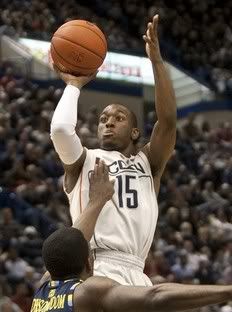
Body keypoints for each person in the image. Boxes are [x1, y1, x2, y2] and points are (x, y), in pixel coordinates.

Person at [50, 15, 176, 286]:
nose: (108, 121)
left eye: (118, 117)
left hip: (137, 272)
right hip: (94, 266)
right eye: (103, 118)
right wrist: (73, 85)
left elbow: (167, 122)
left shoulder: (148, 162)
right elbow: (60, 129)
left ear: (134, 132)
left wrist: (156, 61)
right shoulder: (83, 160)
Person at [31, 162, 232, 312]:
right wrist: (227, 291)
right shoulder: (86, 292)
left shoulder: (41, 291)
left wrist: (97, 202)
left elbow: (69, 242)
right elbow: (156, 296)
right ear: (88, 263)